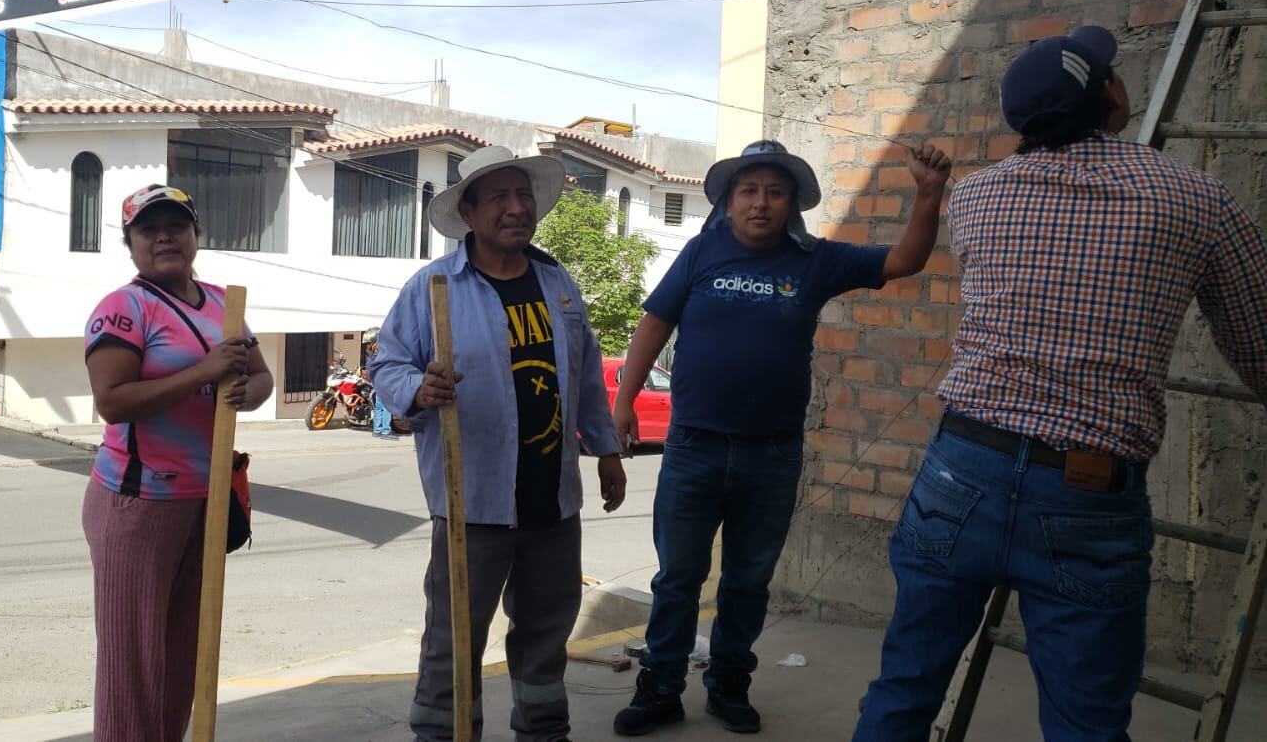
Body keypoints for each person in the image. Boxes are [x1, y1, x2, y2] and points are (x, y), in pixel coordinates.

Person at [853, 26, 1267, 741]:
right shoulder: (1196, 198)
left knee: (904, 685)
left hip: (959, 471)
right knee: (1085, 724)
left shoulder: (975, 199)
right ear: (1110, 92)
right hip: (1086, 489)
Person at [612, 139, 951, 736]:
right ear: (728, 201)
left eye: (774, 192)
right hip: (693, 448)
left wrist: (927, 194)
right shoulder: (699, 253)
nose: (761, 203)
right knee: (677, 578)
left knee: (747, 580)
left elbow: (903, 261)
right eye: (749, 191)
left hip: (770, 455)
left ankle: (729, 685)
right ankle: (661, 686)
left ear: (791, 203)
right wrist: (623, 404)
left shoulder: (814, 260)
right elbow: (654, 323)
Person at [370, 144, 628, 742]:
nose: (516, 208)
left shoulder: (558, 284)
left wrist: (607, 450)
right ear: (468, 212)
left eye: (524, 195)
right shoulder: (433, 286)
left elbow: (586, 376)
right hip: (473, 503)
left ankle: (543, 732)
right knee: (455, 637)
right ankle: (443, 735)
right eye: (500, 198)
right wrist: (418, 387)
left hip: (551, 502)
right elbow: (386, 364)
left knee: (545, 634)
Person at [81, 183, 275, 742]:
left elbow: (259, 375)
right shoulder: (124, 308)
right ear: (132, 244)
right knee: (133, 664)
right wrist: (204, 374)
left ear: (195, 236)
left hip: (205, 500)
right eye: (149, 229)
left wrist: (250, 390)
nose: (164, 236)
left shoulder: (222, 303)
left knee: (182, 658)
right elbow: (112, 400)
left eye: (176, 226)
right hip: (137, 503)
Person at [363, 328, 400, 440]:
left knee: (379, 406)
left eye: (369, 342)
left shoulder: (373, 352)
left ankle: (377, 430)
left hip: (377, 382)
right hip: (383, 381)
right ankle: (386, 431)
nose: (369, 345)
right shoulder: (381, 351)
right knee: (386, 406)